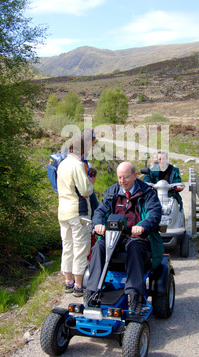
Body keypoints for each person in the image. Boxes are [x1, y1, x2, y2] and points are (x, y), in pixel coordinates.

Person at [85, 161, 163, 314]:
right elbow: (100, 211)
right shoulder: (112, 191)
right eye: (119, 177)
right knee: (98, 247)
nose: (122, 181)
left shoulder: (147, 192)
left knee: (133, 247)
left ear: (135, 175)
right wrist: (98, 224)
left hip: (138, 239)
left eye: (125, 177)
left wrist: (143, 226)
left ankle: (134, 295)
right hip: (114, 237)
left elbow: (155, 213)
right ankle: (91, 292)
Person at [57, 129, 96, 297]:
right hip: (77, 211)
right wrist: (91, 182)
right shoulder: (77, 165)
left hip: (63, 211)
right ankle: (79, 285)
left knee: (67, 247)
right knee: (81, 247)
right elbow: (85, 190)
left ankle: (68, 282)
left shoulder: (62, 164)